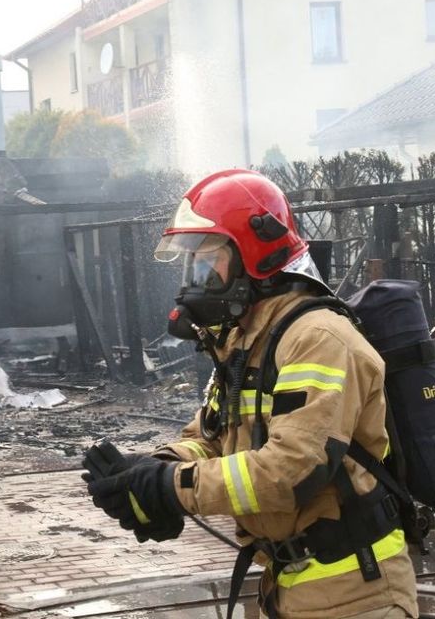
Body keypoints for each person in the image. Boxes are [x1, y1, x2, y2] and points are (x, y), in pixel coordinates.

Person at [83, 169, 418, 619]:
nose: (196, 278)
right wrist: (152, 469)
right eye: (193, 263)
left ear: (253, 254)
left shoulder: (318, 338)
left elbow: (291, 470)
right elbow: (213, 437)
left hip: (355, 594)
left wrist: (173, 488)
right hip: (286, 585)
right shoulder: (247, 341)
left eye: (208, 261)